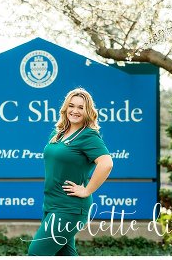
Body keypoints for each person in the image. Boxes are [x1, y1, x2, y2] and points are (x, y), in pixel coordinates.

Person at [28, 88, 113, 256]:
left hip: (70, 208)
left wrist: (87, 190)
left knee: (36, 253)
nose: (75, 111)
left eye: (81, 107)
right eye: (71, 106)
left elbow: (106, 163)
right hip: (51, 204)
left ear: (88, 111)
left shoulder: (89, 136)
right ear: (65, 108)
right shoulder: (58, 133)